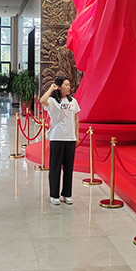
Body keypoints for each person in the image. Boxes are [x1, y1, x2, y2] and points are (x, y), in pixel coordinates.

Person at [40, 75, 80, 205]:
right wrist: (51, 89)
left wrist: (76, 135)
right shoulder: (52, 101)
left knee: (69, 168)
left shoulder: (73, 101)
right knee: (55, 167)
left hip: (70, 138)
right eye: (66, 85)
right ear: (59, 86)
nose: (69, 87)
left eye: (69, 85)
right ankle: (54, 195)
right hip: (57, 137)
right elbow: (42, 100)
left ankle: (67, 194)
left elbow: (76, 119)